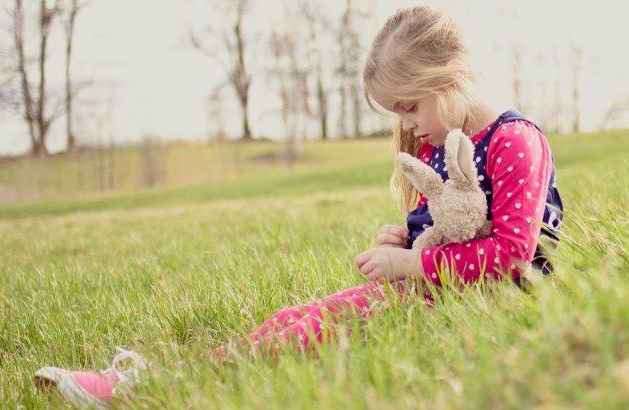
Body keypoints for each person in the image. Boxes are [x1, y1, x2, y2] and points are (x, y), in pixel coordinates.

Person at [33, 5, 563, 407]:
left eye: (410, 106)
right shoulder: (438, 146)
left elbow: (514, 253)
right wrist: (403, 240)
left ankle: (149, 388)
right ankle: (153, 376)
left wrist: (412, 264)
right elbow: (452, 227)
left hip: (483, 300)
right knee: (292, 316)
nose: (407, 124)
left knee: (314, 331)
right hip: (432, 288)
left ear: (450, 79)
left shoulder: (512, 140)